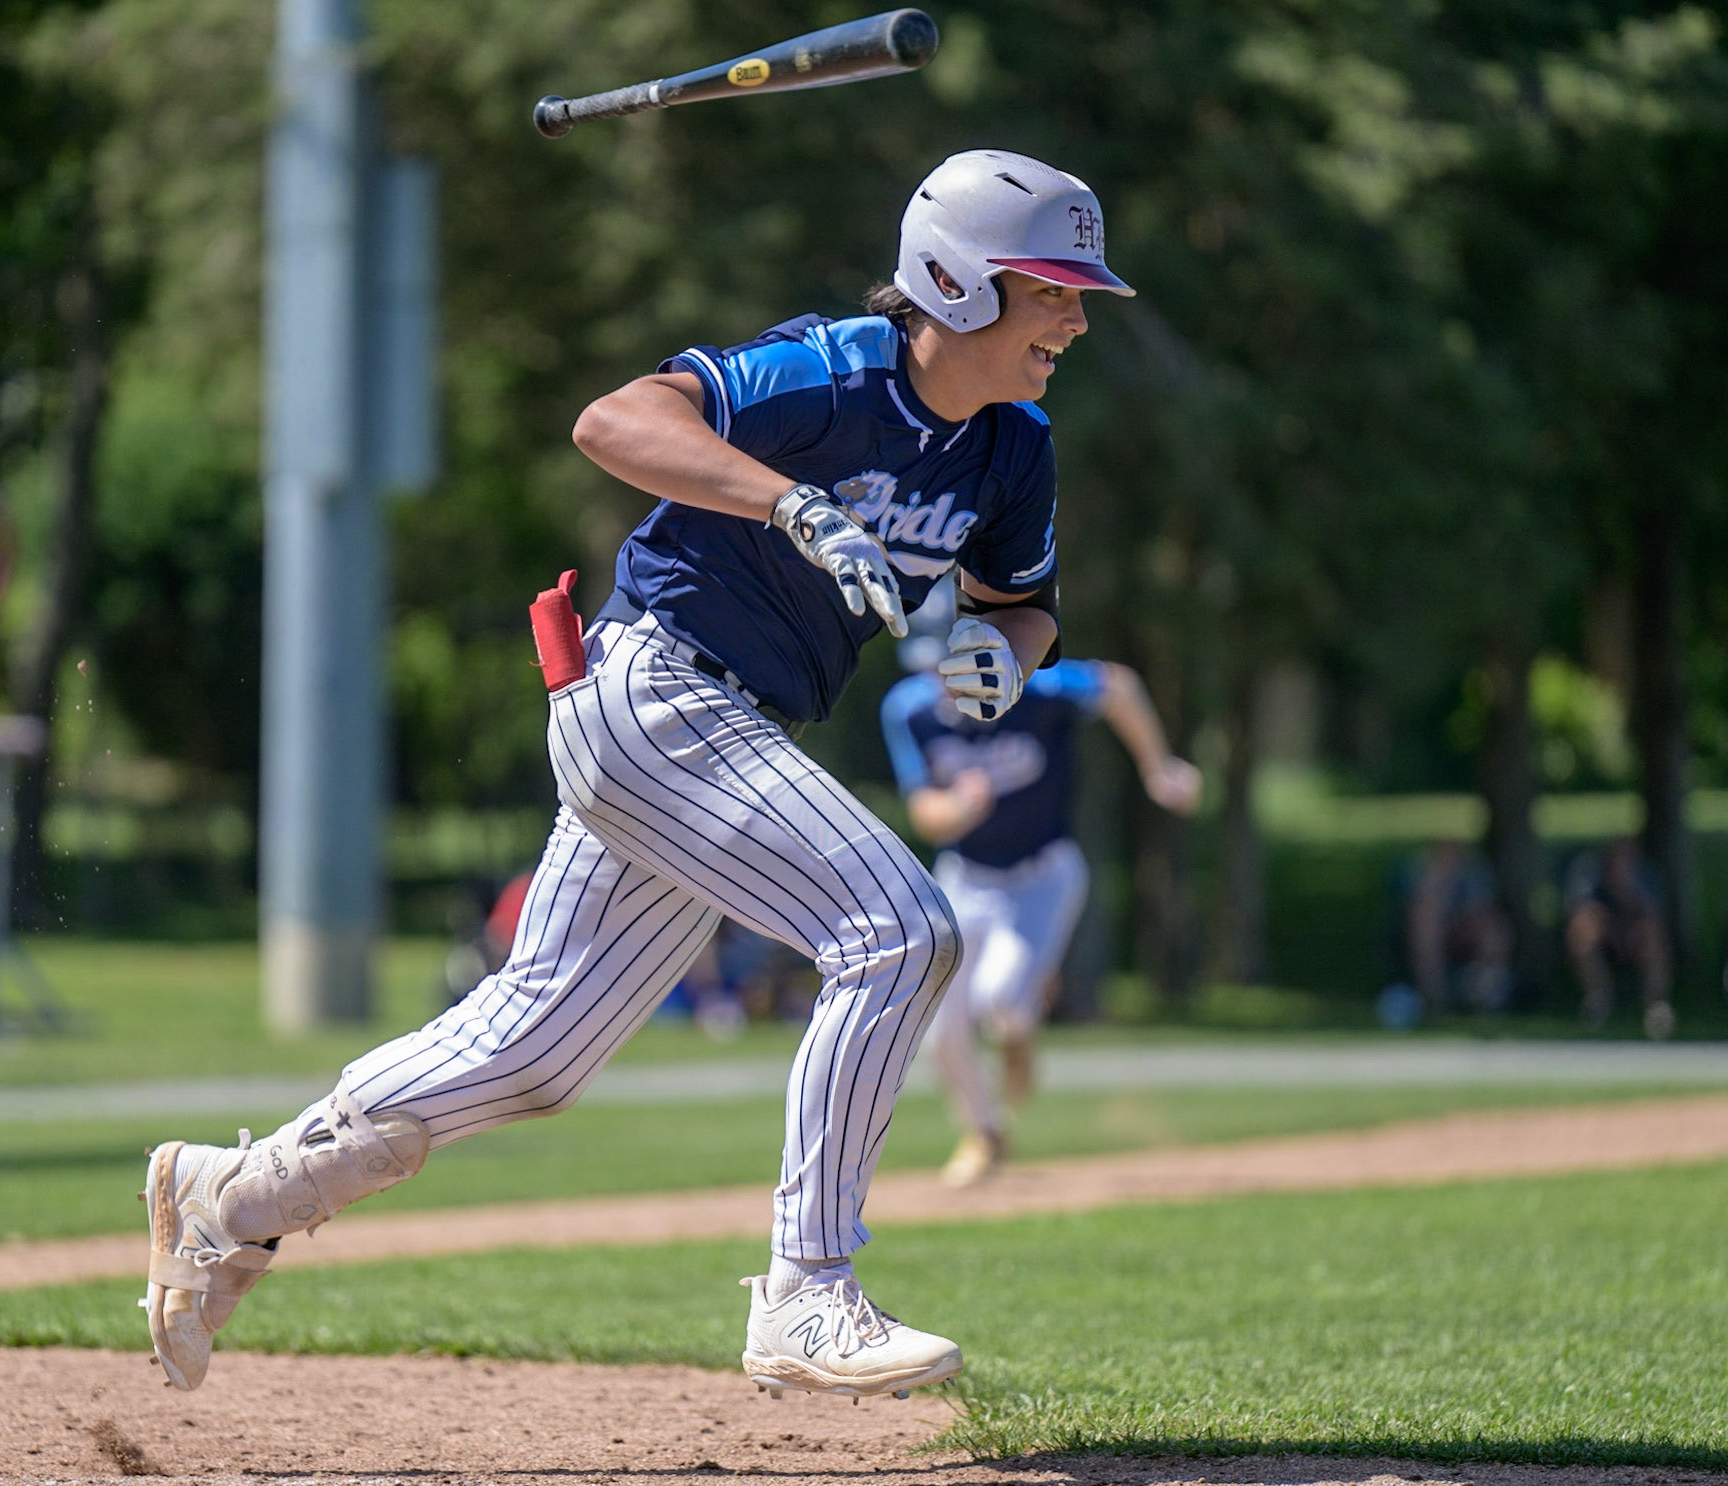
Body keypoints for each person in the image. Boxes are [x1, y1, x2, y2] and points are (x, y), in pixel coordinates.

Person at [140, 149, 1136, 1401]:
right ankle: (806, 1291)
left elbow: (1025, 604)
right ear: (958, 281)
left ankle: (231, 1194)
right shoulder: (832, 367)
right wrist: (791, 504)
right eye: (1051, 287)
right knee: (898, 931)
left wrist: (1001, 653)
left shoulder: (1015, 447)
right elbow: (612, 420)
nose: (1077, 315)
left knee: (533, 1054)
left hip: (724, 731)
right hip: (653, 687)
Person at [881, 617, 1201, 1186]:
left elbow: (1118, 686)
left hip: (1043, 874)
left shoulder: (1036, 692)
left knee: (998, 994)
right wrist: (959, 809)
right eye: (931, 671)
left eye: (948, 670)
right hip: (967, 876)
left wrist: (1157, 767)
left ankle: (1018, 1027)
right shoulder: (909, 710)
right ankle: (985, 1133)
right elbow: (926, 813)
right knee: (941, 1028)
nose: (940, 684)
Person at [1562, 837, 1675, 1040]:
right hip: (1603, 937)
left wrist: (1627, 895)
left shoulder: (1645, 879)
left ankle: (1656, 1004)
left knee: (1652, 937)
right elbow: (1579, 912)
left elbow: (1653, 916)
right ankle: (1598, 999)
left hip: (1633, 938)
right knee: (1584, 931)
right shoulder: (1589, 876)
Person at [1398, 839, 1513, 1016]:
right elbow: (1418, 907)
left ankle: (1488, 993)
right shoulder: (1420, 872)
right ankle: (1435, 1000)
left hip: (1464, 933)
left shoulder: (1474, 874)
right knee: (1427, 923)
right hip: (1431, 935)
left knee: (1493, 929)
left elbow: (1481, 909)